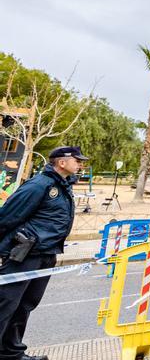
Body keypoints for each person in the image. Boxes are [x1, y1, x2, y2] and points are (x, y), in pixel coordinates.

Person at [0, 146, 86, 360]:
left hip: (46, 254)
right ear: (62, 162)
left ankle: (11, 353)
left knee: (25, 305)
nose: (81, 164)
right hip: (23, 255)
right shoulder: (40, 184)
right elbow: (7, 217)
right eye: (77, 160)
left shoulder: (63, 186)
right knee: (5, 305)